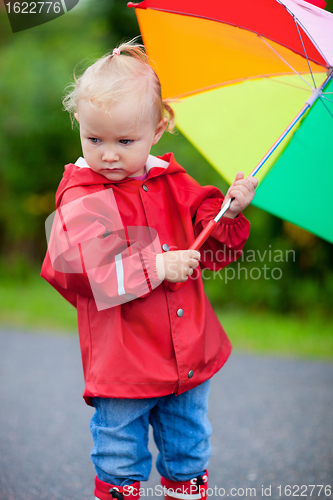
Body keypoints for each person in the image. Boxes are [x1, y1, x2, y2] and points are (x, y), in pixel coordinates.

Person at [41, 40, 258, 500]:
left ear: (158, 129)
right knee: (120, 456)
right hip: (124, 364)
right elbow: (80, 266)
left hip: (186, 356)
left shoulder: (175, 183)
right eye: (94, 139)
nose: (109, 155)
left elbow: (215, 247)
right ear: (79, 124)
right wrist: (156, 264)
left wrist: (230, 213)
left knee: (188, 449)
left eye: (125, 141)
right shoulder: (81, 194)